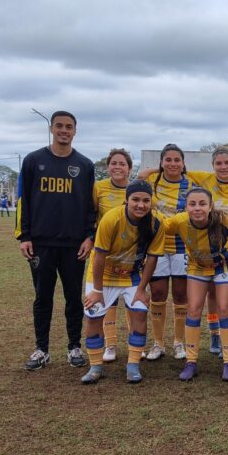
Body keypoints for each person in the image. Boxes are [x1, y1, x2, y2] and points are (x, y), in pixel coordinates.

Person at [15, 110, 97, 371]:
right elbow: (23, 201)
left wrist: (89, 237)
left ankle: (74, 347)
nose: (64, 130)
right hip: (41, 244)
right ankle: (42, 349)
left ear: (75, 131)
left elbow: (91, 207)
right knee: (43, 297)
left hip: (74, 245)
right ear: (51, 129)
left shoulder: (85, 165)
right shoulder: (33, 161)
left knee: (74, 298)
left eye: (69, 127)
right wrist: (24, 236)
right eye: (59, 126)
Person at [79, 180, 164, 384]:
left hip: (131, 275)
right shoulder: (111, 218)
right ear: (126, 200)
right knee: (93, 317)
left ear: (151, 202)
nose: (141, 205)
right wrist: (97, 290)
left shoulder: (156, 222)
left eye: (146, 200)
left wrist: (142, 289)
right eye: (135, 199)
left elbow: (152, 258)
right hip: (103, 275)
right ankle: (95, 367)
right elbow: (99, 257)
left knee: (140, 312)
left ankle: (133, 365)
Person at [164, 187, 228, 382]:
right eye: (192, 204)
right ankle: (191, 362)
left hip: (225, 265)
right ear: (186, 207)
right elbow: (159, 225)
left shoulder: (224, 219)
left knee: (224, 308)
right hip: (198, 266)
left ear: (210, 206)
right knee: (193, 309)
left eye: (202, 204)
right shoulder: (179, 221)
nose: (197, 208)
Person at [142, 144, 197, 362]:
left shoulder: (191, 184)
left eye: (177, 160)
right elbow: (139, 178)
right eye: (168, 160)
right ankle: (158, 343)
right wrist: (155, 171)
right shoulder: (151, 182)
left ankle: (178, 342)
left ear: (183, 163)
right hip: (157, 246)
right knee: (157, 293)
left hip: (183, 247)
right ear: (161, 162)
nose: (173, 164)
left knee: (181, 294)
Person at [92, 148, 133, 364]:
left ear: (129, 168)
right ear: (108, 167)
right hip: (105, 253)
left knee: (132, 300)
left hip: (131, 254)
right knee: (109, 299)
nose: (118, 167)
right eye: (114, 163)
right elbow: (90, 216)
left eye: (122, 164)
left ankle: (135, 345)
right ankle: (110, 345)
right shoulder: (98, 187)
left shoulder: (135, 188)